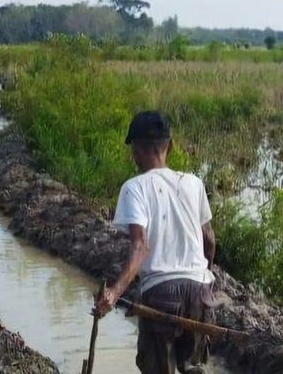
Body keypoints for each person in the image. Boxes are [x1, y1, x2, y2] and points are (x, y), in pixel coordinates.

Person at [95, 111, 217, 374]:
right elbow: (209, 241)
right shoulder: (193, 183)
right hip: (201, 292)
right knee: (191, 366)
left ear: (135, 152)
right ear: (170, 146)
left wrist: (114, 293)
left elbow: (140, 246)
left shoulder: (135, 188)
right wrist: (204, 280)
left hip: (161, 292)